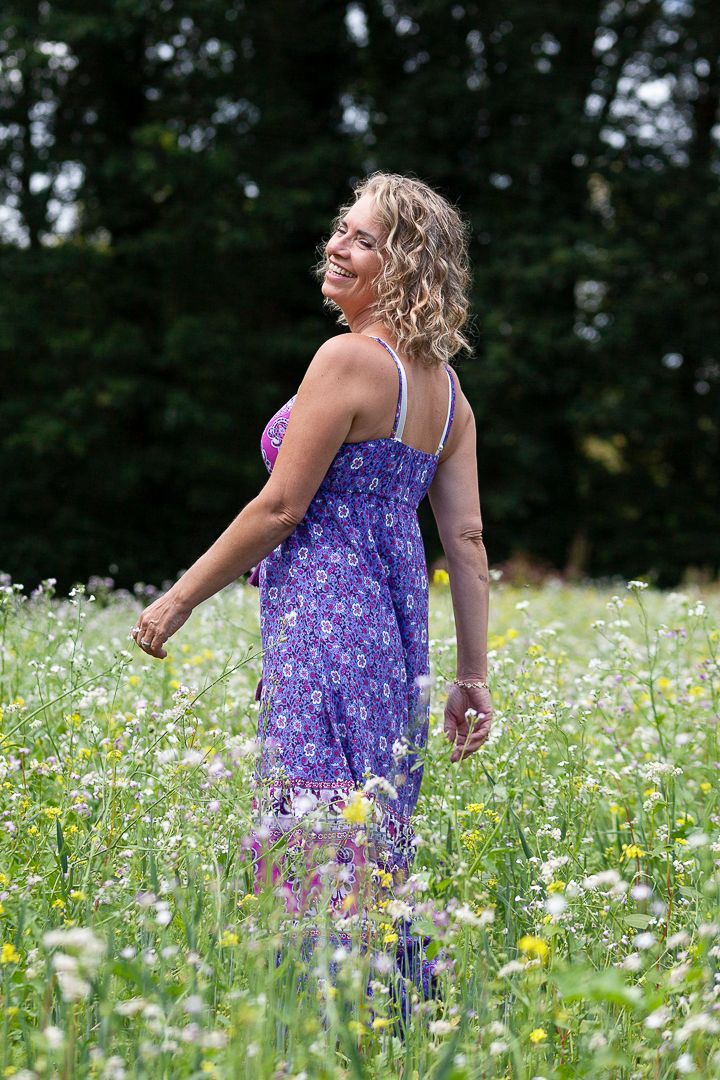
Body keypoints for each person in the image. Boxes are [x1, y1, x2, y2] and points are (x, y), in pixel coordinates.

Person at [130, 172, 492, 1017]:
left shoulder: (347, 359)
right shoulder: (450, 395)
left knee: (317, 834)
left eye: (364, 240)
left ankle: (323, 1028)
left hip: (326, 622)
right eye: (342, 229)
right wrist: (471, 679)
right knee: (368, 830)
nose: (337, 245)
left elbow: (282, 506)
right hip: (395, 637)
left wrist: (178, 600)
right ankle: (397, 1022)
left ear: (405, 266)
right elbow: (467, 544)